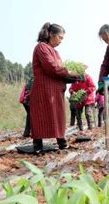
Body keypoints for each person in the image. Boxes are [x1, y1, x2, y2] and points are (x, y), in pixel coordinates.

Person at [29, 22, 80, 154]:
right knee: (41, 116)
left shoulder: (55, 52)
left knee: (58, 115)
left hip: (55, 90)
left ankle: (62, 144)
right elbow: (52, 68)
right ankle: (37, 147)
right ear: (51, 34)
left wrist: (75, 76)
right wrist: (70, 72)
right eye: (60, 37)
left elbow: (59, 71)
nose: (61, 41)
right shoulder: (41, 47)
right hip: (43, 89)